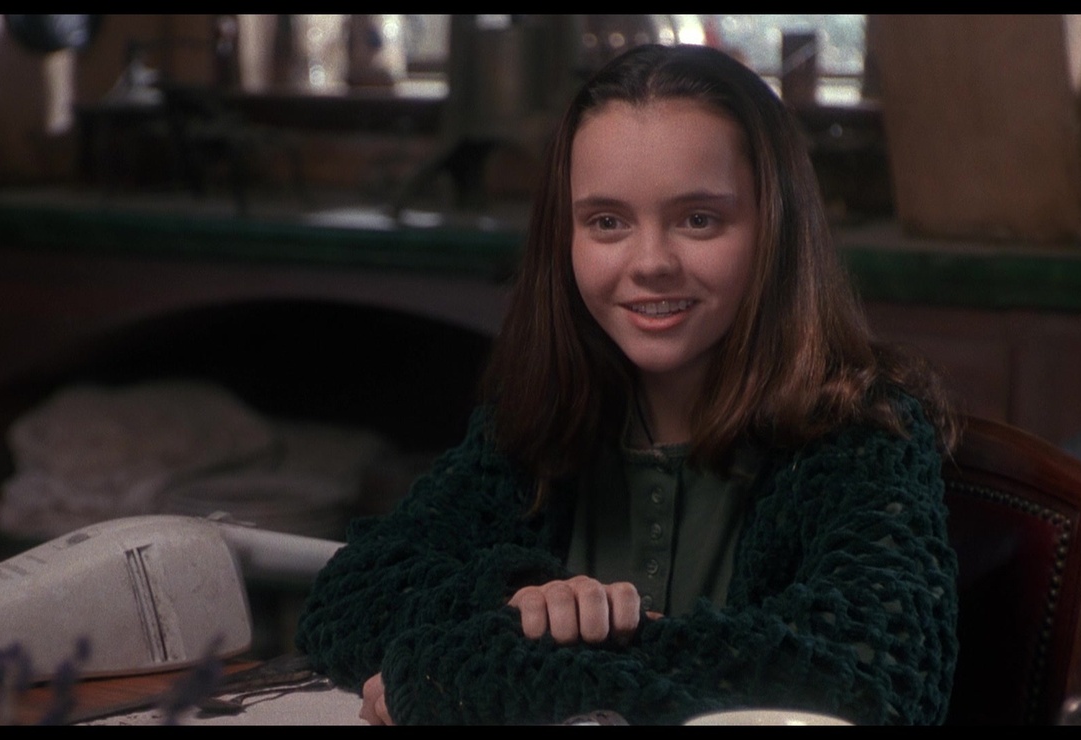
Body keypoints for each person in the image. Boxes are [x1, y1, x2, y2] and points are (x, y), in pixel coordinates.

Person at [295, 43, 962, 726]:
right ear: (566, 237)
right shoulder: (539, 423)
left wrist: (478, 671)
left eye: (699, 219)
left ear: (776, 231)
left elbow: (872, 679)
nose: (650, 263)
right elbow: (349, 599)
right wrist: (517, 595)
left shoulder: (863, 433)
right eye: (607, 222)